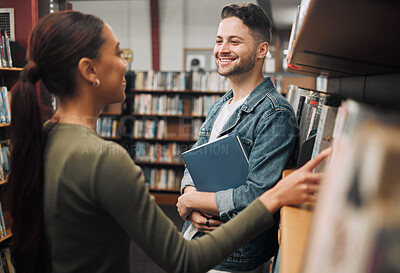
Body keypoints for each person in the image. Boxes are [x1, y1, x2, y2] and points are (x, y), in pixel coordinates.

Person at [8, 10, 328, 273]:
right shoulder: (104, 159)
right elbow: (183, 261)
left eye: (234, 40)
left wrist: (192, 199)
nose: (125, 63)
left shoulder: (45, 137)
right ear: (89, 70)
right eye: (118, 53)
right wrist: (275, 197)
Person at [177, 3, 297, 272]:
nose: (222, 49)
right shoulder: (221, 105)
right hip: (196, 239)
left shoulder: (275, 114)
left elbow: (258, 194)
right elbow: (194, 161)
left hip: (234, 254)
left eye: (234, 41)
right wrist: (189, 196)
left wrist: (191, 201)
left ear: (261, 50)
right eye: (219, 41)